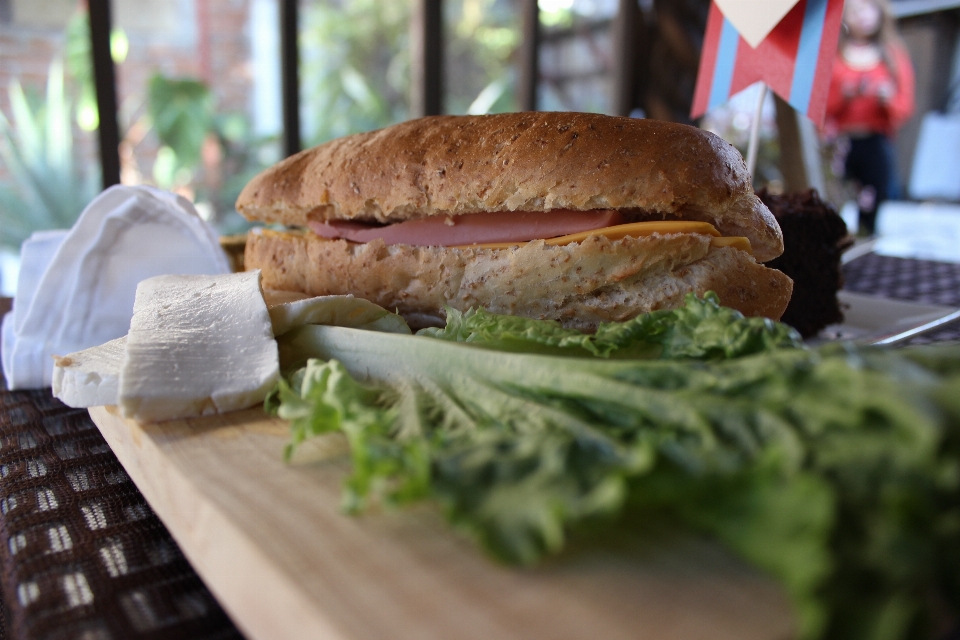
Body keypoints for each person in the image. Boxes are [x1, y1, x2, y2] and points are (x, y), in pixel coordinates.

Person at [825, 0, 915, 236]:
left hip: (876, 140)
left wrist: (888, 99)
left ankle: (867, 245)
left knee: (874, 200)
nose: (861, 16)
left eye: (867, 8)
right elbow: (823, 105)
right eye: (854, 10)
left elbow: (905, 106)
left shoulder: (893, 55)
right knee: (834, 199)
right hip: (842, 143)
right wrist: (843, 95)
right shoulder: (835, 54)